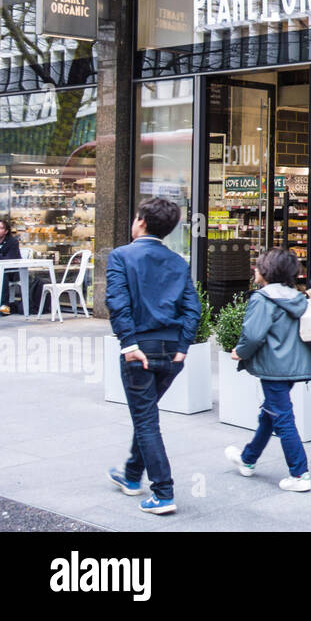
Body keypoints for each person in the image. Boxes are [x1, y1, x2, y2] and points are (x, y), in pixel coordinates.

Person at [105, 198, 200, 516]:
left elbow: (117, 301)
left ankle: (163, 492)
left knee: (146, 421)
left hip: (139, 350)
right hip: (170, 351)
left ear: (141, 222)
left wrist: (128, 344)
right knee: (146, 416)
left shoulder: (121, 255)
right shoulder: (178, 261)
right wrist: (183, 348)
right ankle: (131, 475)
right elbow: (192, 309)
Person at [224, 247, 311, 492]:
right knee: (270, 413)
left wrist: (240, 352)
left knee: (282, 416)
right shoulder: (298, 299)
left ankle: (299, 473)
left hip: (273, 367)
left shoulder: (262, 298)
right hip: (293, 366)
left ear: (267, 271)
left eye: (258, 266)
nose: (255, 269)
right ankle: (248, 459)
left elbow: (253, 335)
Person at [0, 218, 20, 316]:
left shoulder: (12, 242)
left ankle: (4, 309)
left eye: (0, 228)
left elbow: (9, 259)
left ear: (6, 231)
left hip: (13, 271)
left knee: (2, 275)